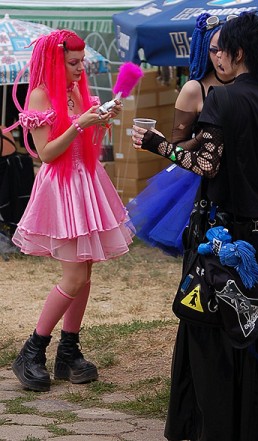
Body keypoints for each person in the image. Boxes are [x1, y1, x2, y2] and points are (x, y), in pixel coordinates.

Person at [132, 11, 258, 441]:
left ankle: (212, 426)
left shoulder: (221, 99)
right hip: (257, 241)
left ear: (238, 53)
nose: (216, 56)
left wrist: (156, 144)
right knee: (257, 324)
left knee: (208, 327)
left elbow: (205, 163)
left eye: (221, 48)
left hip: (216, 239)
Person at [5, 29, 134, 392]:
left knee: (86, 273)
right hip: (62, 190)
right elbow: (46, 153)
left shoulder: (74, 90)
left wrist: (100, 123)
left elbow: (86, 144)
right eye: (73, 63)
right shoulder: (41, 93)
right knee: (74, 277)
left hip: (86, 183)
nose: (80, 69)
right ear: (55, 61)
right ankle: (32, 351)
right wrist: (81, 124)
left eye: (82, 62)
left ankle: (69, 350)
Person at [127, 13, 236, 257]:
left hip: (244, 180)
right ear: (204, 50)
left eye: (228, 50)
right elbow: (178, 146)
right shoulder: (194, 89)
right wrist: (209, 136)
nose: (220, 57)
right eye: (213, 50)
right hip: (201, 182)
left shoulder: (250, 84)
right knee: (205, 260)